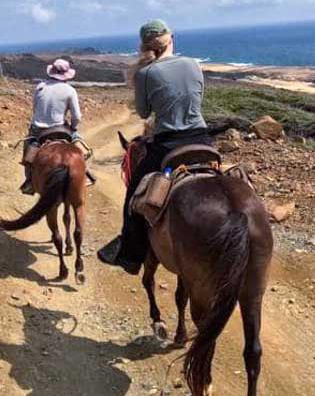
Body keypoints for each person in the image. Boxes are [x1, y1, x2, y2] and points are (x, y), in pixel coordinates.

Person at [98, 19, 212, 273]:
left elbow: (143, 112)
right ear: (171, 39)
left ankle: (130, 255)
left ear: (145, 46)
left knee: (133, 197)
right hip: (203, 139)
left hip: (167, 144)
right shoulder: (194, 64)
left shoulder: (145, 74)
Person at [19, 57, 96, 194]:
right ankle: (84, 175)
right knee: (83, 151)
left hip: (38, 130)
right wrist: (73, 127)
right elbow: (77, 116)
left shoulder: (40, 87)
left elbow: (35, 109)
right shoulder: (70, 90)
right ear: (66, 75)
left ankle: (30, 180)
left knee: (28, 153)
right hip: (60, 128)